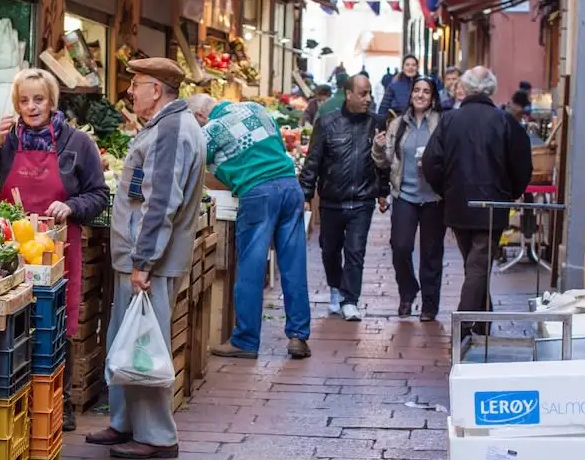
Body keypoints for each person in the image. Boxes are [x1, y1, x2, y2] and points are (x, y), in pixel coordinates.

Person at [0, 68, 110, 431]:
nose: (32, 107)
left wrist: (72, 206)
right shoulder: (8, 142)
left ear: (52, 101)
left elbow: (99, 194)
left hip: (56, 249)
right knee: (13, 320)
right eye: (24, 100)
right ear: (16, 104)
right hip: (10, 249)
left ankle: (59, 402)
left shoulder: (77, 144)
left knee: (57, 319)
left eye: (39, 99)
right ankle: (11, 396)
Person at [85, 58, 205, 459]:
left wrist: (143, 262)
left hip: (150, 262)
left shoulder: (171, 130)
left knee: (143, 347)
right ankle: (125, 422)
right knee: (128, 337)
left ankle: (156, 435)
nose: (130, 92)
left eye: (136, 84)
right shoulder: (163, 126)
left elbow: (159, 204)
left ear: (156, 89)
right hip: (140, 257)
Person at [187, 94, 311, 360]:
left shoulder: (212, 130)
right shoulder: (256, 108)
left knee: (251, 268)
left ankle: (245, 340)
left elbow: (192, 163)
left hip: (259, 195)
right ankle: (298, 336)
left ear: (199, 117)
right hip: (291, 187)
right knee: (293, 265)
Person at [421, 67, 532, 338]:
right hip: (493, 205)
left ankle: (480, 323)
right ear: (491, 90)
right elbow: (522, 165)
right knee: (478, 265)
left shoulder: (449, 121)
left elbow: (430, 162)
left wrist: (446, 191)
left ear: (466, 88)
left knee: (475, 264)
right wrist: (510, 194)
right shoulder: (505, 121)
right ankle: (466, 324)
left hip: (458, 204)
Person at [300, 74, 388, 321]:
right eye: (363, 94)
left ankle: (350, 300)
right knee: (329, 250)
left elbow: (382, 163)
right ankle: (335, 289)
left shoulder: (376, 122)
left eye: (370, 93)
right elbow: (313, 160)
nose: (368, 99)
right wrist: (306, 193)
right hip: (331, 200)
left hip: (362, 200)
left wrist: (383, 192)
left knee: (355, 251)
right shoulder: (327, 123)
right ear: (349, 94)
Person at [372, 77, 445, 321]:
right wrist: (379, 148)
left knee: (431, 253)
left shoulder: (442, 123)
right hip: (404, 194)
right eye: (417, 90)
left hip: (434, 197)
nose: (421, 95)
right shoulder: (397, 125)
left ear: (433, 96)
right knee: (400, 247)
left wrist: (436, 165)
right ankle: (408, 290)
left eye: (426, 91)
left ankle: (429, 305)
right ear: (411, 94)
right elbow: (385, 162)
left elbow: (451, 158)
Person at [375, 54, 421, 119]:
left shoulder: (423, 84)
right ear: (403, 67)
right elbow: (384, 107)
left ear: (417, 67)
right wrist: (380, 125)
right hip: (398, 123)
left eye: (413, 65)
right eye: (407, 65)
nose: (410, 67)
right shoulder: (394, 85)